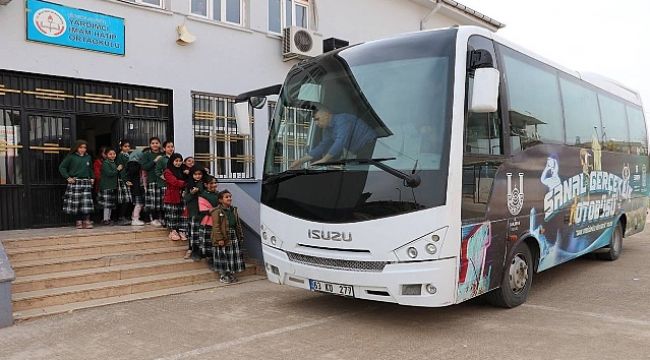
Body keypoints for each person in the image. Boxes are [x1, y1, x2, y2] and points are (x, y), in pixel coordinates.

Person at [290, 105, 376, 169]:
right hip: (360, 151)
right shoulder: (327, 130)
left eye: (317, 119)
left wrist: (324, 160)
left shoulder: (342, 120)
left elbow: (340, 141)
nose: (316, 123)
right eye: (314, 121)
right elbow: (322, 147)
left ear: (327, 115)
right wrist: (300, 161)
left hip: (372, 146)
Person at [210, 190, 245, 283]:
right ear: (220, 200)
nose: (229, 198)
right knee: (224, 256)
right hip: (223, 236)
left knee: (232, 256)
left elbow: (237, 224)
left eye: (230, 196)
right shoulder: (217, 211)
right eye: (226, 197)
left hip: (233, 235)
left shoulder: (233, 210)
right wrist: (220, 239)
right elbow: (216, 226)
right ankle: (223, 275)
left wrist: (240, 235)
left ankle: (230, 274)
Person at [59, 140, 95, 229]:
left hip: (86, 182)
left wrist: (92, 178)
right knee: (77, 203)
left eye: (84, 147)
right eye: (81, 147)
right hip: (75, 182)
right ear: (76, 148)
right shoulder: (71, 157)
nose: (83, 149)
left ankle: (86, 221)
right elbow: (62, 167)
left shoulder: (88, 157)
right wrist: (68, 177)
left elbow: (90, 168)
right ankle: (78, 221)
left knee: (86, 203)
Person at [183, 166, 207, 260]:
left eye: (199, 174)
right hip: (192, 211)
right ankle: (191, 249)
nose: (197, 176)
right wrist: (192, 193)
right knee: (193, 232)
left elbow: (206, 195)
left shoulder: (204, 184)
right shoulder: (189, 184)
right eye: (195, 174)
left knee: (201, 233)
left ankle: (200, 251)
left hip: (203, 212)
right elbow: (186, 198)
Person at [163, 153, 187, 241]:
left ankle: (182, 231)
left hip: (181, 195)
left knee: (182, 214)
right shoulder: (168, 171)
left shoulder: (182, 170)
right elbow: (175, 182)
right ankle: (173, 231)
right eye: (176, 161)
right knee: (173, 214)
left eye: (180, 161)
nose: (178, 163)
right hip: (172, 195)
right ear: (172, 161)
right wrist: (186, 183)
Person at [142, 137, 164, 226]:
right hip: (152, 180)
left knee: (162, 201)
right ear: (150, 145)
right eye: (153, 143)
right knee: (153, 201)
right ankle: (153, 219)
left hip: (163, 181)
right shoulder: (147, 155)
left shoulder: (163, 154)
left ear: (160, 144)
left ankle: (161, 218)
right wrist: (154, 161)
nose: (155, 145)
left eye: (156, 143)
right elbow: (144, 167)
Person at [197, 176, 220, 263]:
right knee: (208, 240)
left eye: (215, 183)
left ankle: (216, 257)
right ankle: (209, 258)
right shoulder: (203, 195)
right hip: (208, 222)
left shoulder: (218, 194)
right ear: (206, 184)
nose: (214, 185)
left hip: (218, 222)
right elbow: (203, 210)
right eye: (211, 183)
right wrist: (217, 209)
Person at [154, 140, 175, 226]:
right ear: (164, 148)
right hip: (164, 185)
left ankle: (171, 219)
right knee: (164, 203)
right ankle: (163, 219)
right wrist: (166, 179)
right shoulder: (162, 159)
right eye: (168, 147)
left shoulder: (176, 158)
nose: (171, 148)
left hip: (174, 185)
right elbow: (157, 171)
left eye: (172, 146)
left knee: (172, 203)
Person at [98, 148, 119, 225]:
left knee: (110, 204)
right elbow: (109, 173)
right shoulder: (106, 163)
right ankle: (105, 219)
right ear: (106, 155)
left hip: (112, 186)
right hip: (106, 186)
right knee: (106, 205)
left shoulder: (113, 162)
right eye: (110, 154)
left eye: (114, 154)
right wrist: (117, 169)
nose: (112, 155)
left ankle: (108, 218)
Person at [126, 149, 147, 226]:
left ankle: (136, 218)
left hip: (140, 187)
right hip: (136, 187)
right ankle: (135, 218)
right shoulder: (133, 164)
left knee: (140, 204)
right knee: (138, 204)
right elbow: (131, 173)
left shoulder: (136, 164)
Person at [115, 139, 132, 225]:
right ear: (121, 147)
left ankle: (124, 217)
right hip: (122, 179)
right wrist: (126, 180)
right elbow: (122, 169)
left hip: (126, 179)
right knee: (124, 199)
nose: (127, 148)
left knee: (127, 199)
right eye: (125, 146)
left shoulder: (128, 155)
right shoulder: (121, 156)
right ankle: (121, 218)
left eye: (128, 146)